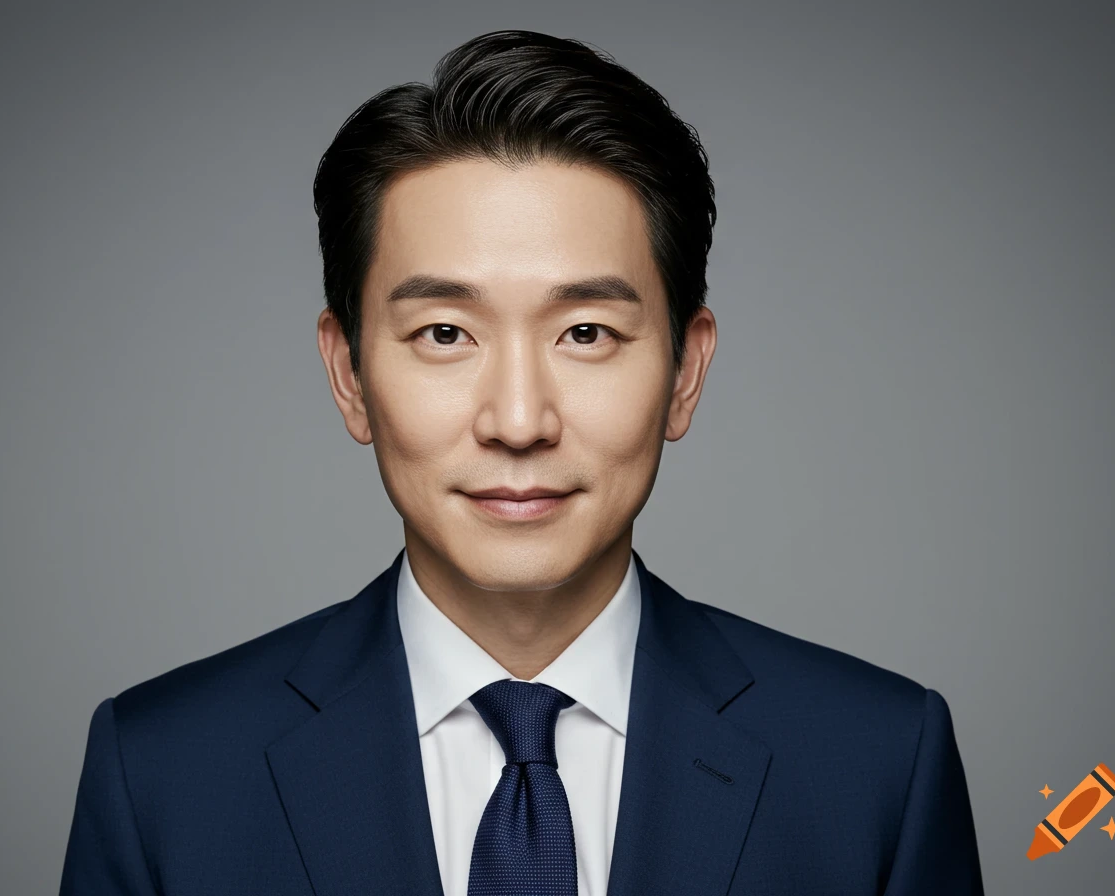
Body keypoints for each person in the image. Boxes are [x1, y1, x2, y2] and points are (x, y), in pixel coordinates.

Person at [59, 29, 985, 895]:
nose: (517, 420)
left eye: (585, 332)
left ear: (684, 372)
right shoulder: (163, 775)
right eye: (445, 332)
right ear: (348, 374)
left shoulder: (877, 767)